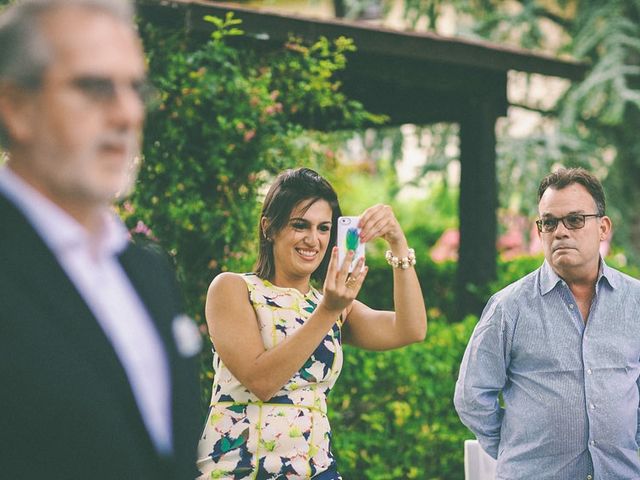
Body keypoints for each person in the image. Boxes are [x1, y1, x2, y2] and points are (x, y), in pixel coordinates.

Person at [0, 1, 202, 479]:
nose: (127, 113)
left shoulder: (149, 271)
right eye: (95, 87)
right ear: (15, 107)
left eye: (136, 88)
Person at [196, 167, 427, 479]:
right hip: (240, 469)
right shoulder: (233, 288)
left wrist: (397, 244)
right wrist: (329, 311)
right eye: (299, 225)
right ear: (269, 227)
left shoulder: (332, 304)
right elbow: (261, 381)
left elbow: (411, 328)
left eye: (323, 228)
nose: (312, 240)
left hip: (315, 470)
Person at [454, 167, 640, 479]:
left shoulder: (635, 302)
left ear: (603, 227)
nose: (561, 232)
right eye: (549, 223)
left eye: (575, 220)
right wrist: (518, 450)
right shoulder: (509, 307)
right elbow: (472, 397)